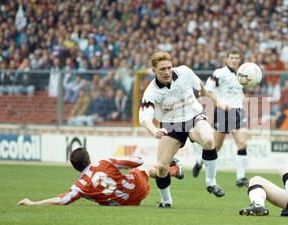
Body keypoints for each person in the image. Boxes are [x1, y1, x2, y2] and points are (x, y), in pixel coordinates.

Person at [139, 51, 224, 209]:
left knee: (209, 140)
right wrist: (154, 131)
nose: (166, 72)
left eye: (168, 68)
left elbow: (203, 89)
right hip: (171, 125)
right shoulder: (151, 92)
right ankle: (166, 201)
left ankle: (211, 182)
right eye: (162, 69)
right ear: (154, 71)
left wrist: (217, 102)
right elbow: (145, 118)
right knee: (162, 167)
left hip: (194, 116)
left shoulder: (184, 72)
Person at [17, 147, 184, 206]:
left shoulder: (80, 186)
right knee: (145, 170)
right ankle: (175, 170)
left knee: (137, 173)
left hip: (121, 204)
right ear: (89, 159)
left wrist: (33, 203)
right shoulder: (105, 162)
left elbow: (62, 201)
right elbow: (138, 161)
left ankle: (175, 170)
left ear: (75, 168)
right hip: (136, 190)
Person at [192, 48, 250, 188]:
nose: (234, 60)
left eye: (237, 58)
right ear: (227, 59)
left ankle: (240, 178)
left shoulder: (242, 74)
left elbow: (238, 91)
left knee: (242, 144)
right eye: (232, 58)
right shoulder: (219, 73)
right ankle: (200, 161)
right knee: (216, 147)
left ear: (240, 60)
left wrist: (243, 98)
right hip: (223, 112)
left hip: (237, 112)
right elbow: (207, 89)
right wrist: (219, 103)